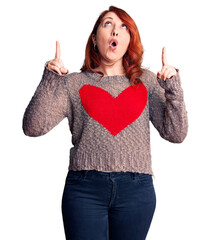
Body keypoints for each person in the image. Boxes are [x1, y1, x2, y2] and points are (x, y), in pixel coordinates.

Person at [22, 5, 188, 240]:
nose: (115, 32)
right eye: (108, 23)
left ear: (129, 39)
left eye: (123, 27)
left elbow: (176, 134)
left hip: (136, 189)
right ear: (94, 38)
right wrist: (50, 79)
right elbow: (32, 127)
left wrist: (173, 89)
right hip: (84, 189)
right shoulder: (74, 83)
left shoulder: (147, 82)